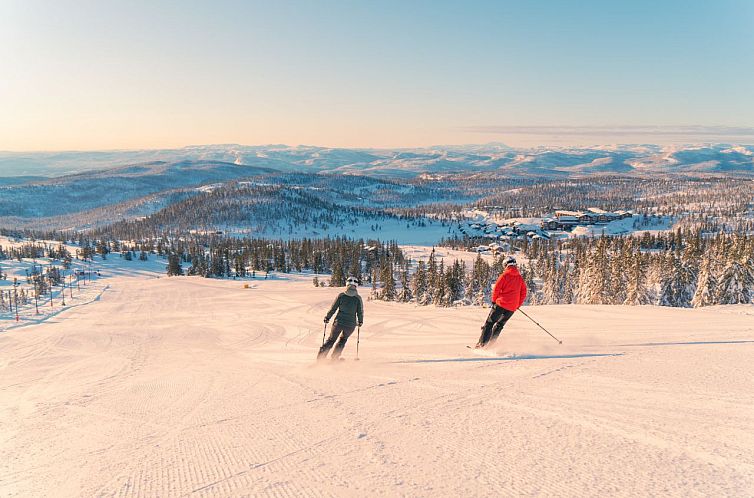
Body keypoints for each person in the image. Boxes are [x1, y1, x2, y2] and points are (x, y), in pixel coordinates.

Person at [475, 256, 527, 348]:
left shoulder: (504, 276)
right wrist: (517, 305)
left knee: (489, 323)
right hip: (512, 308)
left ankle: (482, 344)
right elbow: (523, 293)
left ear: (506, 265)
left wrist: (494, 301)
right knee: (499, 325)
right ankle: (490, 345)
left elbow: (496, 289)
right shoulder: (520, 278)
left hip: (501, 304)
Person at [318, 276, 364, 360]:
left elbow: (333, 308)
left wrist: (327, 317)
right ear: (356, 286)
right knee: (343, 340)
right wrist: (360, 321)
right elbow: (360, 312)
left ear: (347, 284)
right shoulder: (358, 298)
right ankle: (334, 359)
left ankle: (320, 358)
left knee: (331, 340)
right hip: (350, 325)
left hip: (338, 323)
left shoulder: (341, 296)